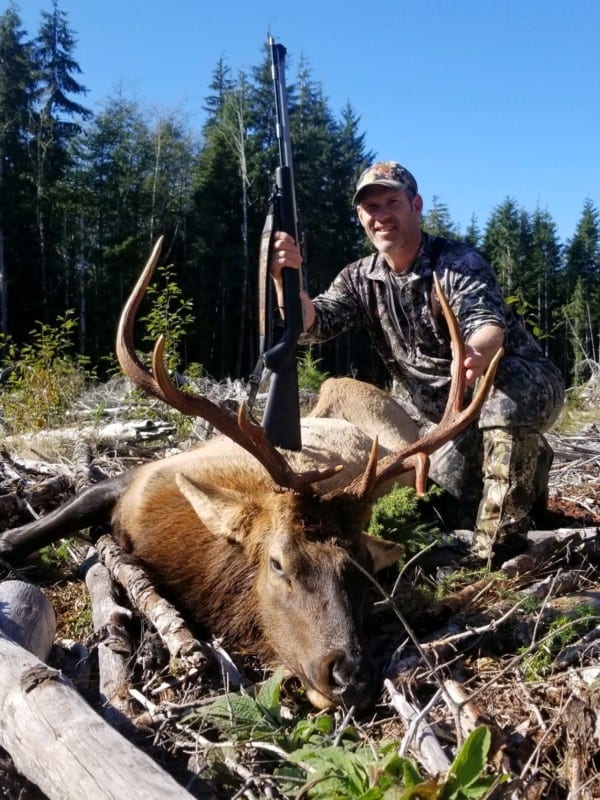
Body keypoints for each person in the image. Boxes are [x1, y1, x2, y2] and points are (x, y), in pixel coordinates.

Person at [270, 161, 565, 564]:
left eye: (392, 201)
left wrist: (476, 354)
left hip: (516, 385)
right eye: (371, 207)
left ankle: (497, 552)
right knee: (439, 510)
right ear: (360, 216)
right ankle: (532, 472)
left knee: (503, 390)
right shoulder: (360, 277)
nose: (381, 215)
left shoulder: (457, 263)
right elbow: (313, 325)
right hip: (449, 421)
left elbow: (487, 323)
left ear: (416, 205)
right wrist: (283, 279)